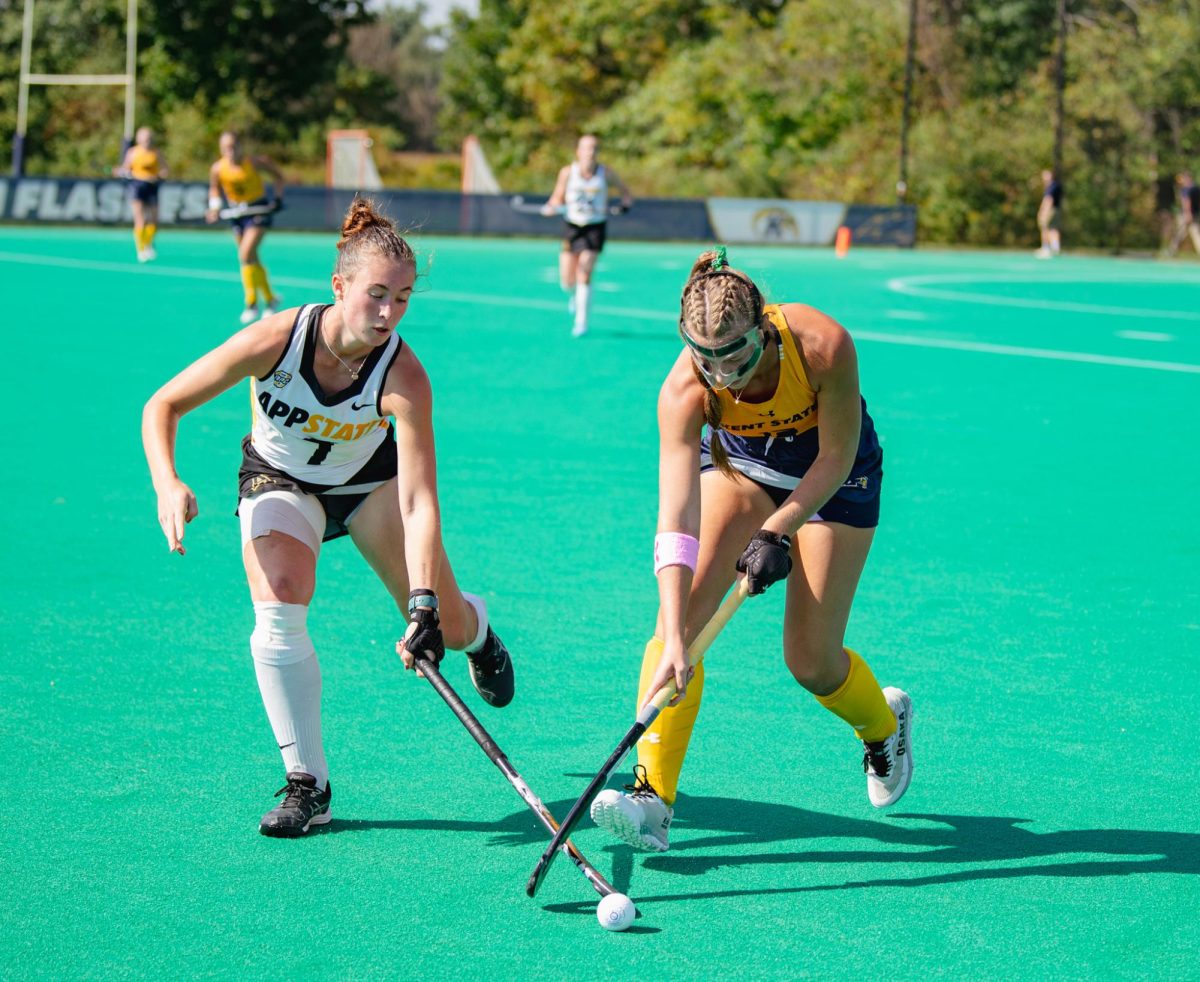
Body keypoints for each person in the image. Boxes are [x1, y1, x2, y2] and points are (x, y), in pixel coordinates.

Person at [142, 197, 516, 838]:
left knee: (445, 628)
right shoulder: (275, 340)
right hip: (278, 478)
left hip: (369, 488)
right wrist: (167, 482)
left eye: (401, 299)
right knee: (281, 597)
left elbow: (420, 499)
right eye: (375, 295)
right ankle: (307, 783)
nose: (387, 313)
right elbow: (164, 405)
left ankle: (477, 630)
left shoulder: (403, 376)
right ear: (338, 286)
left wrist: (425, 606)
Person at [589, 247, 912, 853]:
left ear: (763, 327)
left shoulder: (822, 345)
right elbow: (675, 516)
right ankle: (651, 800)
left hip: (835, 480)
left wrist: (778, 531)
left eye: (733, 355)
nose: (718, 373)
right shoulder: (685, 389)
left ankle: (884, 726)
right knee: (677, 619)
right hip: (748, 470)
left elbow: (836, 457)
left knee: (811, 662)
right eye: (702, 355)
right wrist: (675, 634)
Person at [542, 134, 633, 338]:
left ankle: (581, 322)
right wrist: (551, 206)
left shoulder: (606, 173)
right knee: (567, 281)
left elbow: (626, 194)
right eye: (586, 148)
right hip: (572, 226)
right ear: (578, 151)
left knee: (585, 270)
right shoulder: (568, 172)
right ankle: (574, 296)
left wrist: (623, 206)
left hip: (595, 227)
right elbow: (557, 196)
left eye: (594, 148)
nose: (590, 152)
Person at [207, 131, 286, 324]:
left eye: (234, 146)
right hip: (238, 215)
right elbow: (215, 188)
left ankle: (251, 303)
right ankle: (270, 299)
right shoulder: (217, 168)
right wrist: (215, 207)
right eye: (226, 147)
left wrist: (277, 199)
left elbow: (278, 176)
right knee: (251, 258)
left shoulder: (253, 162)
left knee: (245, 254)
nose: (230, 151)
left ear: (241, 146)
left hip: (257, 211)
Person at [114, 126, 168, 262]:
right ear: (139, 140)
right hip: (136, 187)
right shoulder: (132, 153)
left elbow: (165, 170)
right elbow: (126, 170)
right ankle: (141, 249)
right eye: (144, 139)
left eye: (149, 139)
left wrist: (157, 176)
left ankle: (148, 244)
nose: (147, 142)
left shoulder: (156, 153)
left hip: (152, 187)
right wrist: (120, 171)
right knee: (140, 219)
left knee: (154, 220)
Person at [1166, 171, 1200, 257]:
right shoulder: (1196, 188)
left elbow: (1186, 202)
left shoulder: (1186, 189)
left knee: (1181, 233)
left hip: (1186, 215)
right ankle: (1172, 250)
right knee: (1194, 233)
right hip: (1195, 214)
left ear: (1187, 178)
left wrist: (1187, 214)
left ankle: (1171, 250)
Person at [1036, 168, 1063, 258]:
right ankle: (1055, 248)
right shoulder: (1056, 185)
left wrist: (1044, 211)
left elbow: (1048, 200)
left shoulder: (1051, 186)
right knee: (1053, 228)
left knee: (1045, 228)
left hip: (1050, 210)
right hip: (1056, 209)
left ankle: (1046, 248)